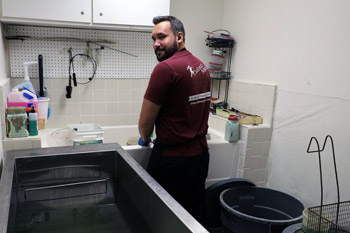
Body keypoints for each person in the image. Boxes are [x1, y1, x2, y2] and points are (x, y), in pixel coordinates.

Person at [138, 16, 211, 222]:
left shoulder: (165, 69)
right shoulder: (202, 67)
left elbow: (145, 123)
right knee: (193, 216)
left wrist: (144, 139)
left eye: (162, 37)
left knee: (162, 217)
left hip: (172, 161)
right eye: (153, 38)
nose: (156, 44)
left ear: (179, 37)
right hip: (200, 157)